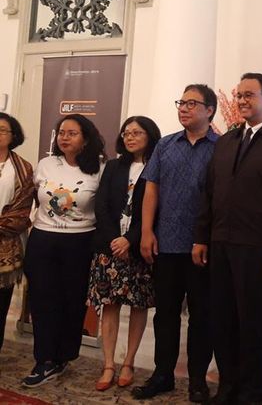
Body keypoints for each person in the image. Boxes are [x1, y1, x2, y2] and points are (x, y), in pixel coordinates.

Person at [193, 72, 262, 404]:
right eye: (239, 95)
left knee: (253, 324)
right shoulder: (226, 141)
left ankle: (252, 394)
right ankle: (228, 388)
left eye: (249, 95)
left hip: (259, 249)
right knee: (223, 322)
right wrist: (201, 237)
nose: (242, 101)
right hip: (221, 244)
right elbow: (209, 193)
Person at [132, 85, 218, 403]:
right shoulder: (165, 145)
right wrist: (146, 232)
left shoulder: (221, 148)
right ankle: (162, 374)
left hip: (202, 248)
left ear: (209, 110)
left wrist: (207, 239)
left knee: (202, 315)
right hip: (165, 243)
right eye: (181, 102)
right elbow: (151, 189)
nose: (183, 108)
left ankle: (197, 379)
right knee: (165, 314)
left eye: (192, 103)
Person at [22, 114, 106, 387]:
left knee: (72, 302)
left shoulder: (99, 168)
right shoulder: (46, 164)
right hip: (44, 240)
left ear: (86, 138)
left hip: (80, 242)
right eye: (61, 132)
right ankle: (44, 359)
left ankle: (64, 356)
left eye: (72, 133)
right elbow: (31, 198)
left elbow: (106, 209)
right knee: (43, 301)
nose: (64, 137)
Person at [87, 116, 162, 391]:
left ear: (150, 135)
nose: (130, 137)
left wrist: (130, 240)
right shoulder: (114, 166)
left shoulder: (158, 166)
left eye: (137, 133)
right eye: (126, 133)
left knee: (138, 304)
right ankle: (109, 364)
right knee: (110, 304)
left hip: (139, 247)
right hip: (109, 248)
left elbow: (157, 209)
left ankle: (128, 362)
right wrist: (114, 240)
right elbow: (102, 206)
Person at [0, 113, 34, 354]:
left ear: (13, 136)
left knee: (0, 305)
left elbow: (22, 210)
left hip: (6, 245)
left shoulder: (23, 168)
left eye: (2, 129)